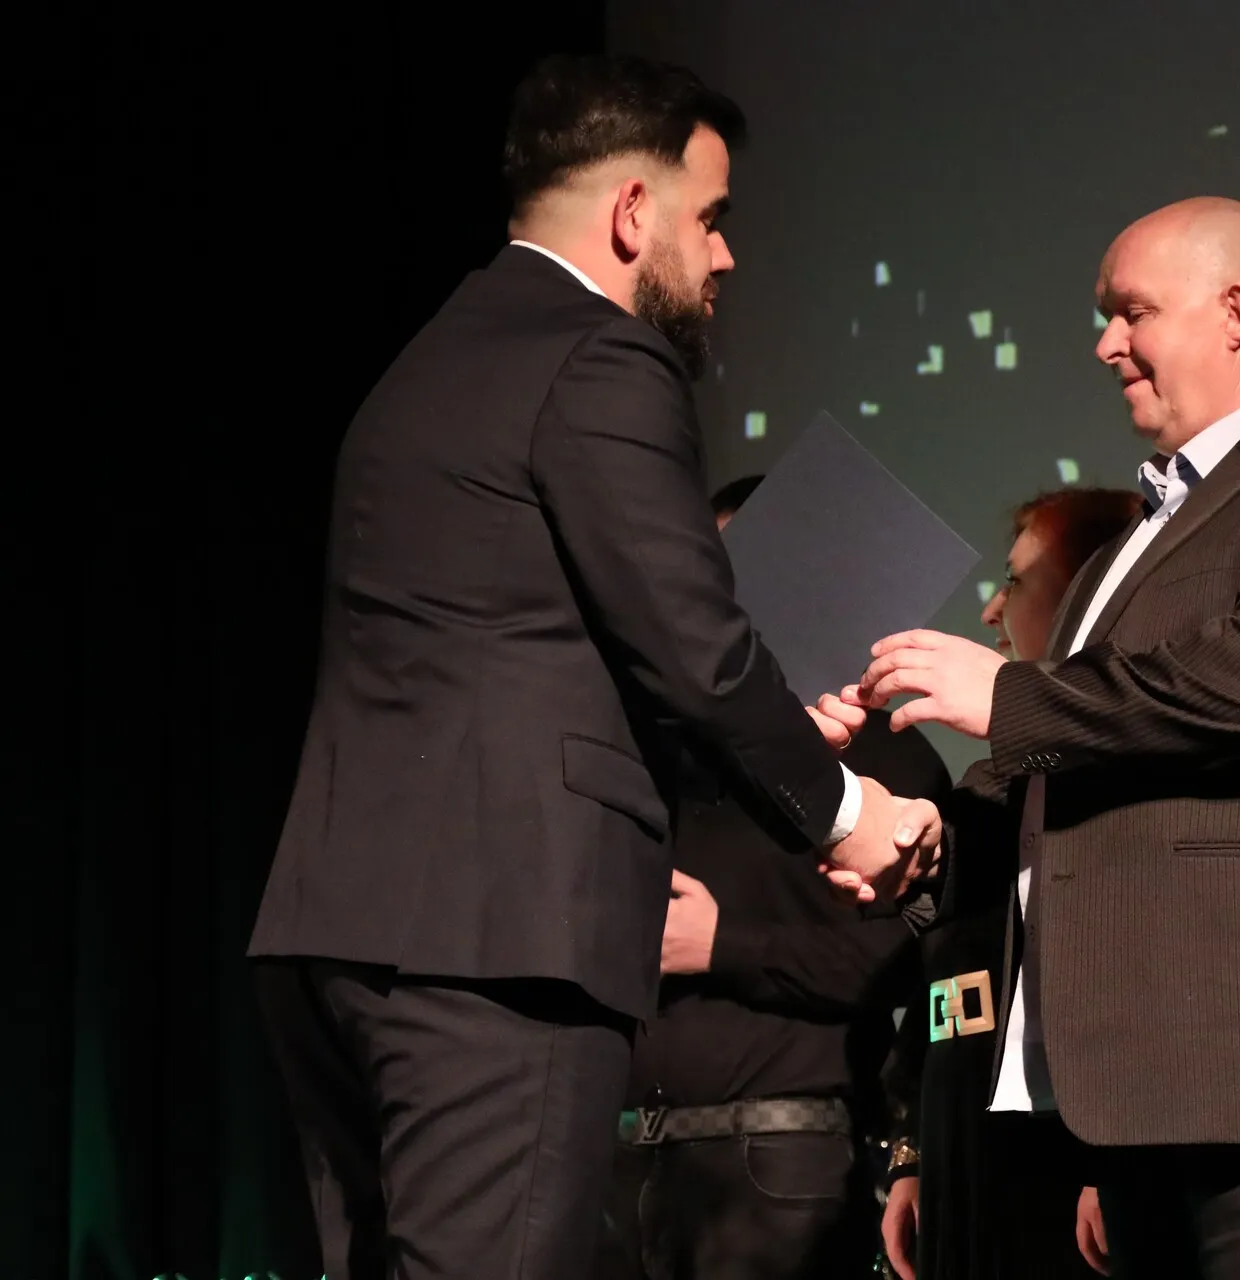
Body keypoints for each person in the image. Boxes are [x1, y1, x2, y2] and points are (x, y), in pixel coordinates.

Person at [247, 57, 938, 1280]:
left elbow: (516, 653)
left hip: (345, 934)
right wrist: (849, 813)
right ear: (631, 212)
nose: (725, 256)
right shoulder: (602, 357)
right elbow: (697, 648)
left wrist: (768, 738)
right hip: (500, 944)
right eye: (710, 218)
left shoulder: (432, 361)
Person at [835, 197, 1240, 1280]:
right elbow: (1067, 779)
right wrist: (914, 836)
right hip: (1131, 1104)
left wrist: (1009, 695)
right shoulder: (1124, 553)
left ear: (1236, 313)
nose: (1106, 343)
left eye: (1133, 312)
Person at [597, 476, 952, 1280]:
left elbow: (906, 956)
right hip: (623, 1159)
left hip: (781, 1157)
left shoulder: (883, 750)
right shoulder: (664, 756)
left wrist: (723, 946)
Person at [878, 488, 1140, 1280]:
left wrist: (1116, 1164)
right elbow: (941, 981)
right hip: (966, 1159)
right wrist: (914, 1153)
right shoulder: (992, 786)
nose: (991, 610)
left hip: (1066, 1176)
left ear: (1087, 596)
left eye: (1017, 581)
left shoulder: (1126, 785)